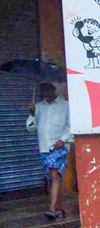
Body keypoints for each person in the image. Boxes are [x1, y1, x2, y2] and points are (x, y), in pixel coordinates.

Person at [26, 83, 73, 220]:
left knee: (54, 175)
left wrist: (62, 140)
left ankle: (51, 209)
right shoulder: (38, 107)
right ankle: (61, 207)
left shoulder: (65, 105)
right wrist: (32, 114)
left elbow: (72, 125)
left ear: (54, 90)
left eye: (49, 89)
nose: (47, 92)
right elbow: (31, 129)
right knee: (53, 179)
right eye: (44, 90)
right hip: (44, 148)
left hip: (59, 148)